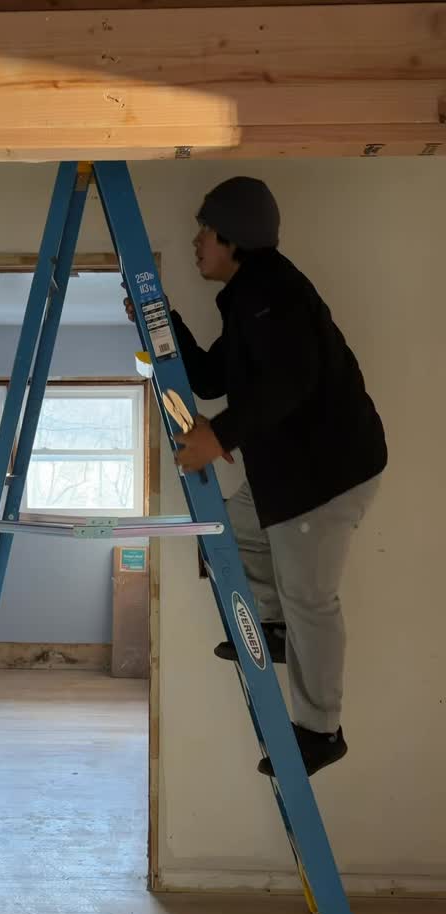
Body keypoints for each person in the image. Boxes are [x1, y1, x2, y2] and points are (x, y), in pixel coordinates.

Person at [124, 176, 387, 777]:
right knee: (238, 530)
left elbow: (291, 380)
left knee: (310, 598)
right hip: (293, 472)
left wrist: (218, 436)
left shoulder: (274, 293)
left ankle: (321, 731)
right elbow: (214, 378)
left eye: (206, 231)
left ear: (233, 238)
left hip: (326, 472)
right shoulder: (248, 299)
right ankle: (273, 628)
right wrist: (162, 322)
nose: (197, 241)